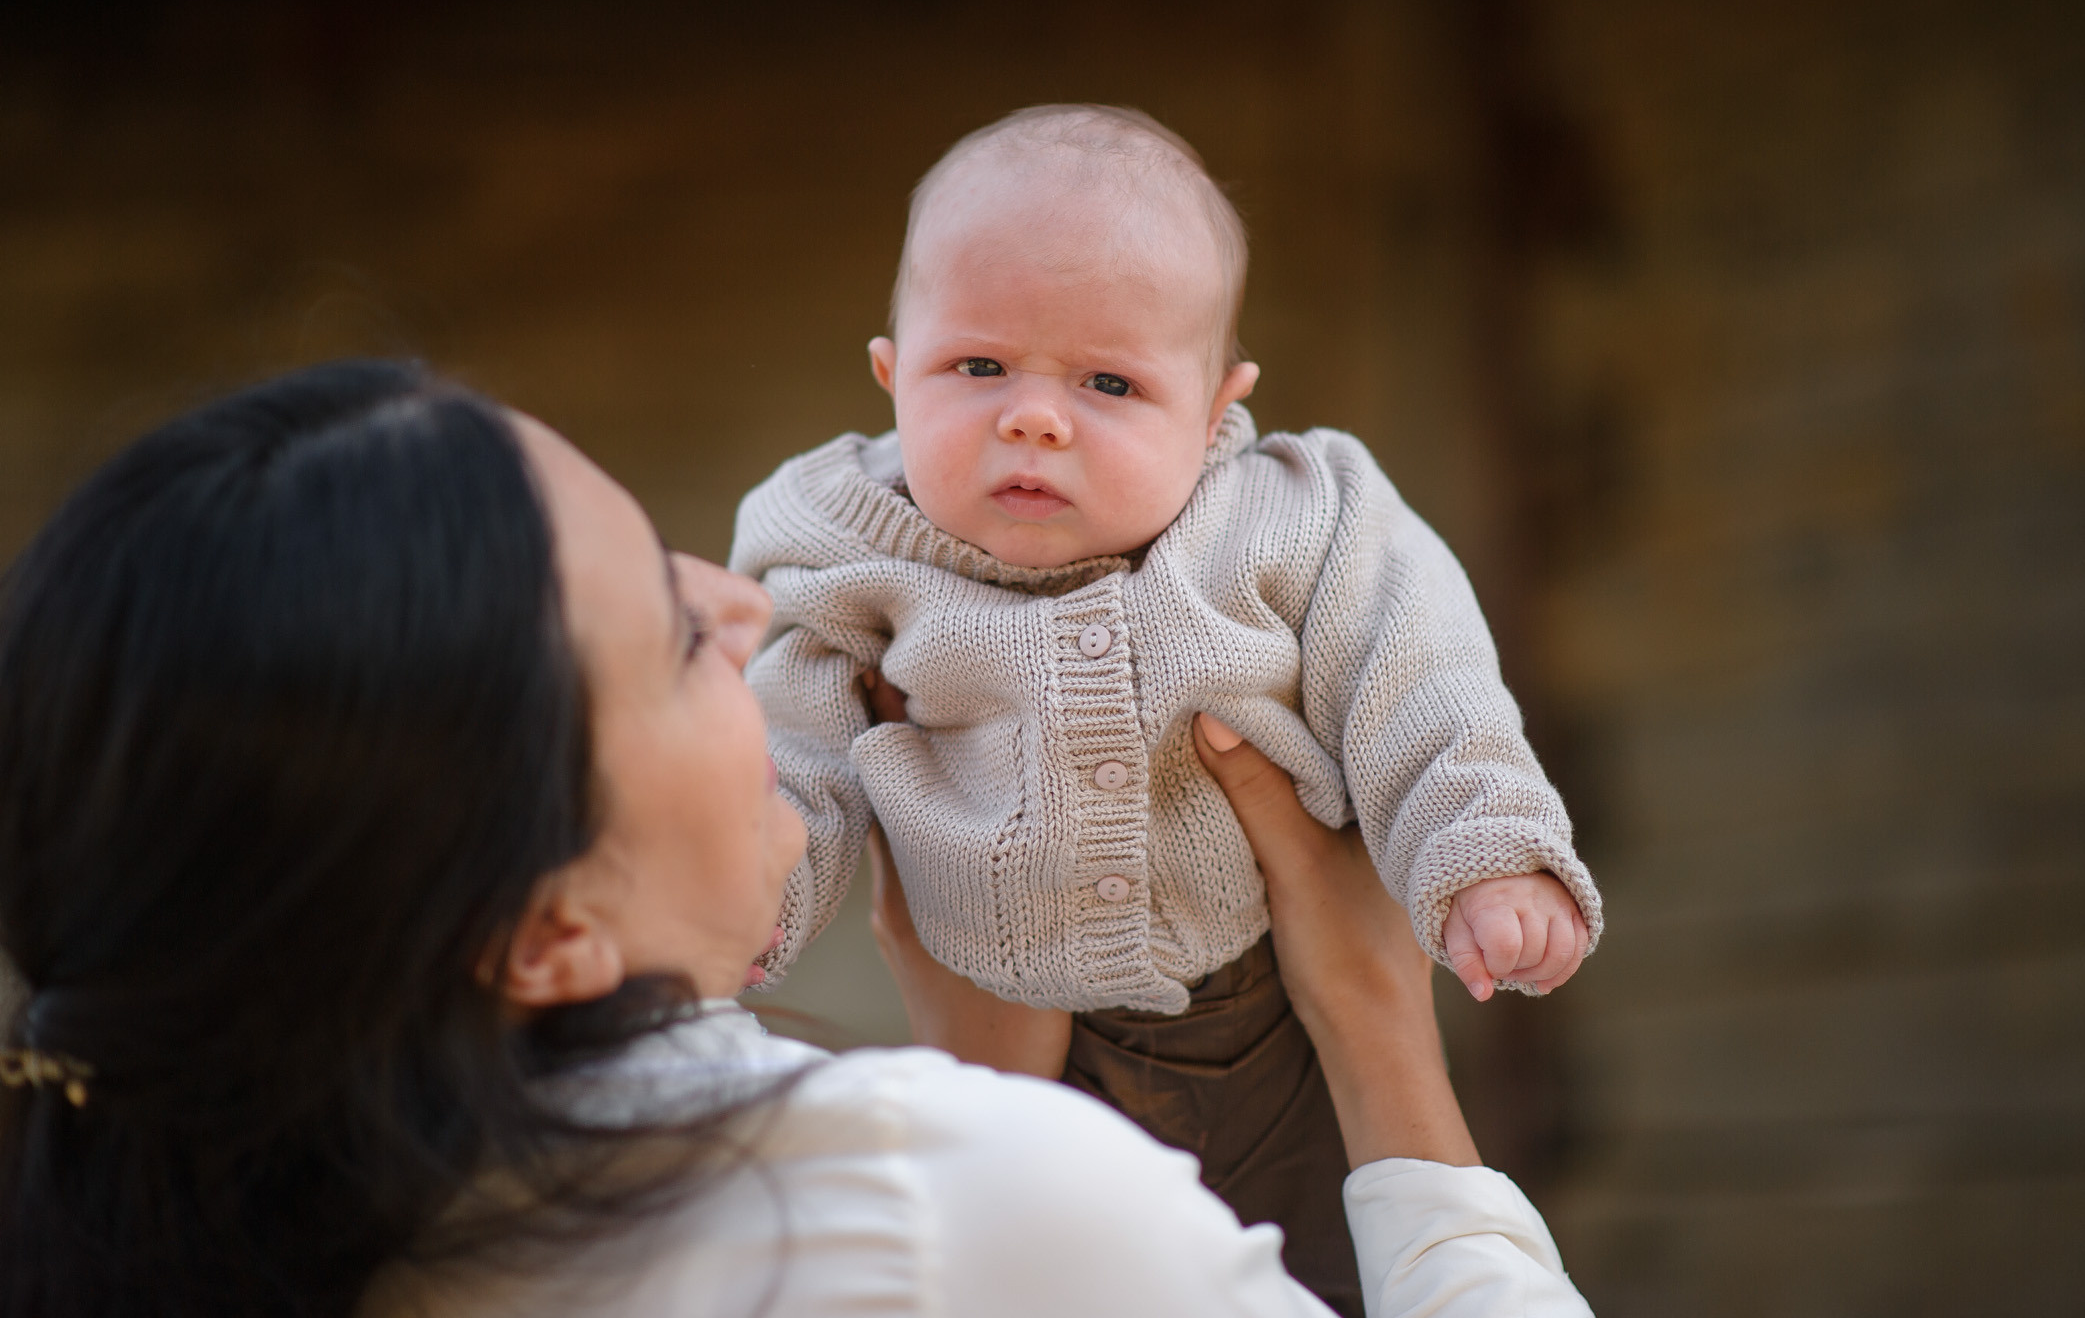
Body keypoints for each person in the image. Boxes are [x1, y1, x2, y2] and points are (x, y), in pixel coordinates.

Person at [0, 361, 1590, 1317]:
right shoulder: (919, 1199)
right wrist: (1386, 1053)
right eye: (673, 635)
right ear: (544, 934)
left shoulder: (254, 1214)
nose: (746, 595)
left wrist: (984, 1081)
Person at [730, 104, 1601, 1309]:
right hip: (1024, 1044)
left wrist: (1487, 851)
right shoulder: (836, 541)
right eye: (975, 366)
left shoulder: (1301, 514)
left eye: (1109, 382)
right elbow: (785, 749)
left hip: (1276, 1026)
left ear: (1215, 406)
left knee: (1330, 1275)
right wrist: (741, 894)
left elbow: (1426, 681)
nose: (1033, 415)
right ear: (889, 374)